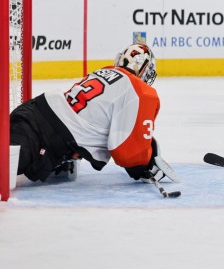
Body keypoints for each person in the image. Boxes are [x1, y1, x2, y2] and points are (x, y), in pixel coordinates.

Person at [9, 43, 177, 185]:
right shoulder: (141, 91)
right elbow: (126, 152)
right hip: (40, 137)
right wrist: (145, 163)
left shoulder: (105, 72)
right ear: (145, 70)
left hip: (33, 111)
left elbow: (85, 116)